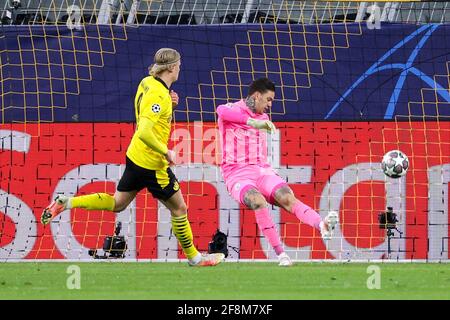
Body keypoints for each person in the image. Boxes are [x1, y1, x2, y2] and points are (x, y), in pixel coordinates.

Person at [41, 48, 224, 267]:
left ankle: (66, 202)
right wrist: (166, 151)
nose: (180, 69)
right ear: (173, 67)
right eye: (179, 65)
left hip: (135, 156)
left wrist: (170, 104)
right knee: (179, 209)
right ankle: (195, 258)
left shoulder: (147, 82)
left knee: (118, 203)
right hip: (152, 163)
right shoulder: (159, 95)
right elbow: (145, 131)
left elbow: (151, 114)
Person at [216, 77, 338, 267]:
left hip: (263, 172)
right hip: (237, 174)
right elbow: (220, 111)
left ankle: (322, 225)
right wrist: (251, 122)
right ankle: (281, 254)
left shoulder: (264, 118)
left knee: (287, 197)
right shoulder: (231, 110)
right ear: (256, 96)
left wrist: (257, 123)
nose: (270, 105)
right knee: (257, 200)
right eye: (269, 99)